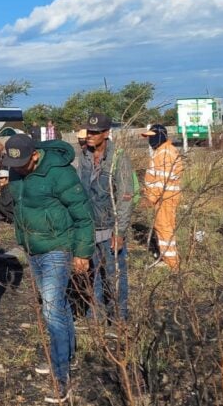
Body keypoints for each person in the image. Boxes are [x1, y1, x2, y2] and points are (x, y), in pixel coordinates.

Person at [3, 135, 93, 404]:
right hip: (33, 248)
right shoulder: (17, 171)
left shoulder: (59, 173)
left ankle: (61, 373)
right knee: (59, 305)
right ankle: (67, 353)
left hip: (58, 246)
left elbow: (82, 213)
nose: (17, 168)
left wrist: (82, 253)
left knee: (51, 308)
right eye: (13, 163)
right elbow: (18, 205)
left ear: (35, 155)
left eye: (22, 162)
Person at [77, 113, 133, 322]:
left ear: (106, 133)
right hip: (89, 227)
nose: (89, 136)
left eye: (94, 132)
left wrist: (119, 232)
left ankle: (120, 315)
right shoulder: (83, 156)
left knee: (115, 275)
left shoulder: (119, 157)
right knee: (92, 273)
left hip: (110, 227)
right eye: (88, 132)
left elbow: (126, 196)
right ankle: (96, 314)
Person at [141, 125, 183, 270]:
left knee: (164, 227)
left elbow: (161, 180)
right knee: (165, 227)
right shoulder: (164, 150)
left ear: (160, 135)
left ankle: (171, 262)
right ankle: (169, 258)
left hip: (165, 197)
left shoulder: (164, 152)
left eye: (152, 136)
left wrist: (150, 198)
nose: (150, 140)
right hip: (165, 196)